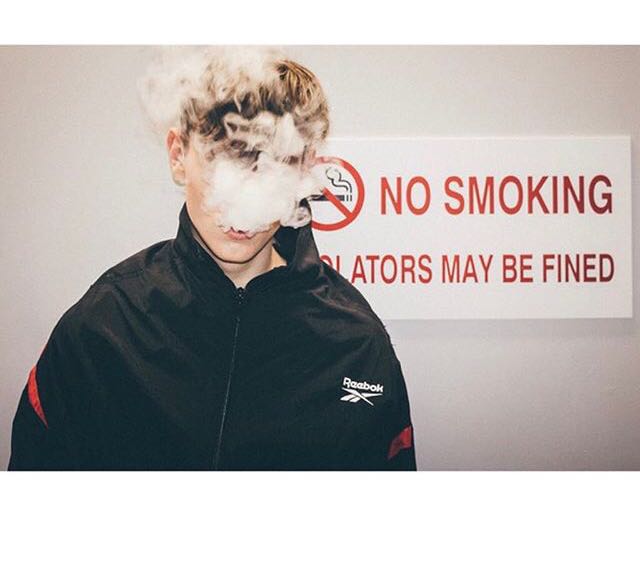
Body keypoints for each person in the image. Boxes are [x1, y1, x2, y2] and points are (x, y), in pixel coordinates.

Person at [8, 47, 416, 470]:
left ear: (305, 170)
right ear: (178, 154)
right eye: (224, 160)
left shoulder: (355, 344)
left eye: (272, 166)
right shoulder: (102, 328)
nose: (242, 200)